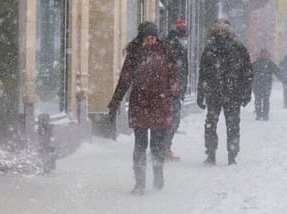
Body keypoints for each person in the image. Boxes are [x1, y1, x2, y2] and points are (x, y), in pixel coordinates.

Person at [108, 21, 179, 195]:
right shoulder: (134, 53)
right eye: (147, 37)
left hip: (159, 104)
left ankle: (158, 177)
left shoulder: (166, 51)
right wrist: (115, 102)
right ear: (142, 38)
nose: (150, 41)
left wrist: (174, 92)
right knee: (140, 145)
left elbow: (174, 74)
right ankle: (139, 183)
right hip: (140, 104)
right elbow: (124, 79)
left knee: (157, 145)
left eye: (153, 37)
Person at [196, 19, 253, 165]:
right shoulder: (237, 48)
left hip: (222, 93)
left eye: (223, 31)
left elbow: (247, 72)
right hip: (228, 93)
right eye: (219, 31)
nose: (221, 33)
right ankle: (225, 154)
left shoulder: (214, 48)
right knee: (229, 125)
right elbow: (247, 72)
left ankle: (217, 154)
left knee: (215, 124)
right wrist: (246, 91)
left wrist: (246, 90)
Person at [163, 19, 189, 161]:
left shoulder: (177, 47)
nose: (186, 40)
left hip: (174, 91)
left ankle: (164, 148)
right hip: (171, 91)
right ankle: (164, 149)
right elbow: (176, 70)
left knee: (172, 120)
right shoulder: (173, 48)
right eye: (184, 37)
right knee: (172, 120)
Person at [251, 48, 282, 121]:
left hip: (266, 85)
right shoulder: (255, 63)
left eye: (266, 54)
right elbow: (249, 73)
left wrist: (281, 78)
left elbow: (277, 71)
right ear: (260, 54)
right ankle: (258, 115)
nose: (265, 55)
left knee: (266, 100)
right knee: (258, 100)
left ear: (268, 55)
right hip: (257, 85)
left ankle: (265, 115)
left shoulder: (270, 63)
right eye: (263, 53)